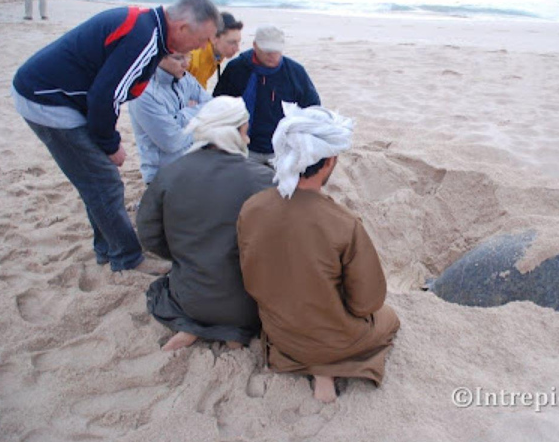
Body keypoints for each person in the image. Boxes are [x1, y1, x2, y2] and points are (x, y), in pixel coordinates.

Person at [11, 0, 222, 274]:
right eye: (203, 38)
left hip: (63, 96)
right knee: (105, 181)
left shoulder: (152, 30)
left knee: (95, 179)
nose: (204, 47)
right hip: (48, 100)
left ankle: (107, 248)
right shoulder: (145, 40)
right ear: (182, 27)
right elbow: (104, 97)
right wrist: (111, 144)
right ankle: (127, 257)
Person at [237, 104, 400, 403]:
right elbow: (367, 302)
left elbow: (252, 276)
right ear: (328, 162)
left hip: (281, 333)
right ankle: (326, 366)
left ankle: (311, 362)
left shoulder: (252, 208)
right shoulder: (344, 223)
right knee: (389, 318)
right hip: (331, 338)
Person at [138, 96, 274, 351]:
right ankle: (232, 332)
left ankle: (195, 327)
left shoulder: (170, 173)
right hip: (250, 304)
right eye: (245, 130)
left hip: (190, 298)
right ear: (236, 132)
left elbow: (149, 236)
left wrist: (187, 255)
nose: (247, 138)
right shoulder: (265, 178)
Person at [213, 24, 320, 167]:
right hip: (243, 147)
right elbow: (218, 106)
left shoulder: (296, 72)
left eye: (275, 50)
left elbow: (314, 109)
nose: (271, 55)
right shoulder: (236, 69)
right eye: (266, 50)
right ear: (255, 45)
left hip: (282, 149)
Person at [129, 52, 211, 184]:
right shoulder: (144, 93)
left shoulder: (185, 78)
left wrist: (179, 117)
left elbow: (213, 107)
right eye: (178, 58)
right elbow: (172, 142)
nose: (186, 63)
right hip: (165, 176)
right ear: (159, 57)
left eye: (188, 56)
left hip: (194, 165)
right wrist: (201, 126)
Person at [188, 12, 243, 89]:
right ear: (213, 38)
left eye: (238, 42)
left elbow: (201, 82)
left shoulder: (218, 53)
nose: (237, 49)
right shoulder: (192, 57)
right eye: (232, 42)